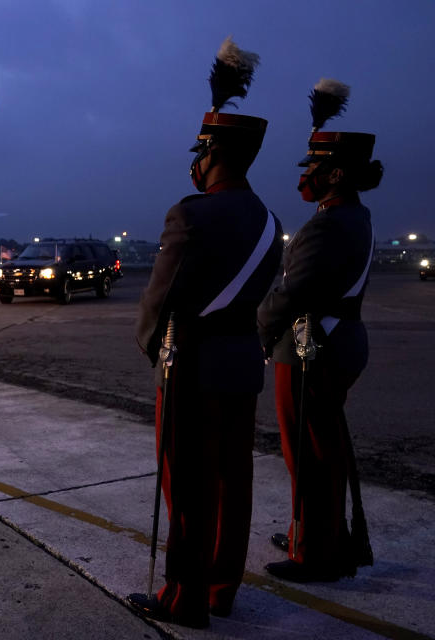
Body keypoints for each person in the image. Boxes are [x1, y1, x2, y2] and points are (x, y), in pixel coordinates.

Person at [129, 37, 283, 628]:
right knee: (232, 479)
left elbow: (159, 302)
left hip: (190, 366)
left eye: (199, 149)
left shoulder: (189, 213)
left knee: (188, 487)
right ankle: (221, 587)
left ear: (214, 153)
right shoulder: (270, 221)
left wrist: (149, 347)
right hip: (242, 363)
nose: (192, 160)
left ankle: (184, 599)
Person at [258, 79, 382, 583]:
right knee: (320, 450)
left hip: (314, 346)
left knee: (308, 453)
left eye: (310, 168)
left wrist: (262, 329)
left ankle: (316, 553)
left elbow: (294, 293)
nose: (302, 178)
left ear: (333, 174)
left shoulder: (329, 223)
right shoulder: (354, 214)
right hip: (337, 340)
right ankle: (313, 534)